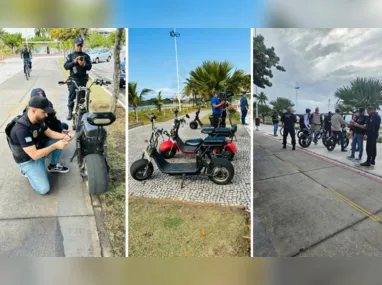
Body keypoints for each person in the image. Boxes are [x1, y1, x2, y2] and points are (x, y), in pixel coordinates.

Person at [6, 96, 74, 195]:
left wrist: (65, 136)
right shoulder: (21, 130)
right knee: (44, 189)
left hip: (37, 149)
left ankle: (52, 165)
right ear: (33, 110)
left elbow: (50, 133)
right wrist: (55, 146)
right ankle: (27, 171)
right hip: (28, 159)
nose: (46, 115)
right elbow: (34, 155)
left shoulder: (38, 119)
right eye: (43, 112)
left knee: (60, 139)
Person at [64, 37, 92, 120]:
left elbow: (89, 67)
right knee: (71, 96)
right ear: (75, 45)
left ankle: (81, 113)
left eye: (81, 45)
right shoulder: (71, 56)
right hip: (73, 79)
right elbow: (66, 66)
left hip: (83, 79)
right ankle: (70, 112)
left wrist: (83, 64)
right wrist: (74, 62)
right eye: (78, 45)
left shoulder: (86, 56)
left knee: (81, 98)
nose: (79, 47)